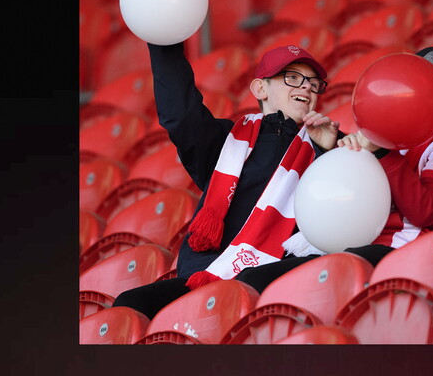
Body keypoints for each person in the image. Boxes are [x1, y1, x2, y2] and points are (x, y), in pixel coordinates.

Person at [111, 42, 340, 319]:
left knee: (249, 284)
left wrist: (329, 154)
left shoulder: (330, 144)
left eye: (314, 83)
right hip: (207, 274)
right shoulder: (225, 142)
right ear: (260, 89)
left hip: (279, 273)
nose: (306, 87)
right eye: (292, 77)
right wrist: (165, 44)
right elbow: (181, 115)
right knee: (131, 304)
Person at [233, 46, 433, 292]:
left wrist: (382, 150)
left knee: (262, 284)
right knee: (250, 279)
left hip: (402, 250)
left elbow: (427, 211)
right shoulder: (390, 127)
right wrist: (334, 149)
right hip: (354, 242)